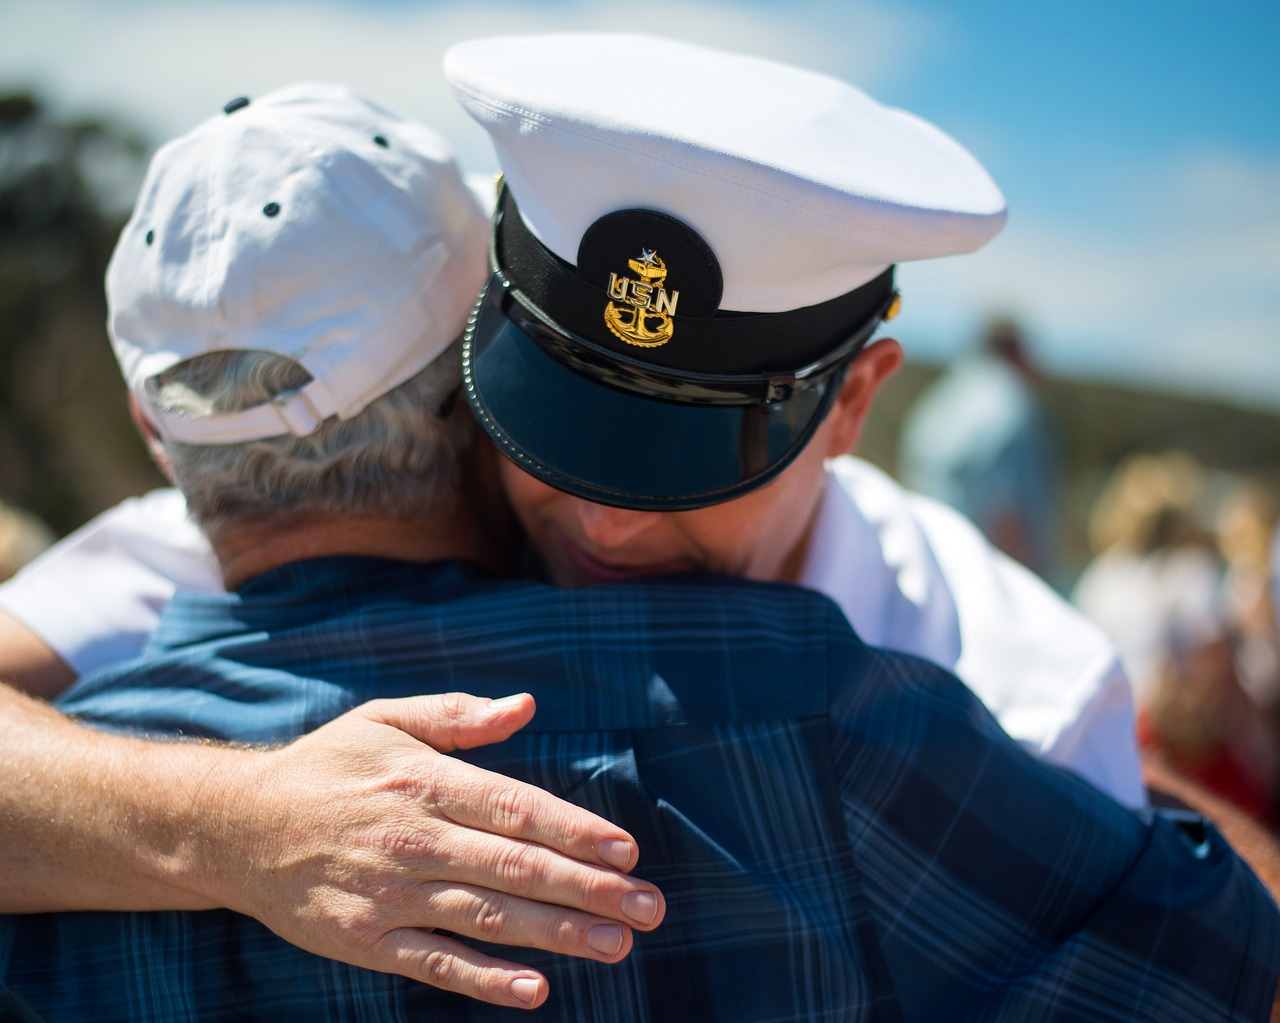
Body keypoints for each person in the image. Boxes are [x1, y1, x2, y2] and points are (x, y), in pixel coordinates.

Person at [3, 40, 1279, 1023]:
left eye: (681, 458)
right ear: (462, 391)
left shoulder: (1014, 686)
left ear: (854, 403)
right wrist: (235, 822)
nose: (606, 515)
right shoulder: (263, 505)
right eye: (550, 432)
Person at [0, 81, 670, 1011]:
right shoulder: (841, 702)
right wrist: (240, 819)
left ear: (154, 431)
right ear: (483, 372)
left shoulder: (140, 562)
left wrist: (217, 828)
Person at [898, 316, 1062, 581]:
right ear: (1017, 351)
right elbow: (1005, 511)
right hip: (985, 573)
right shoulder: (1011, 403)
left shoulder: (942, 397)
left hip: (928, 560)